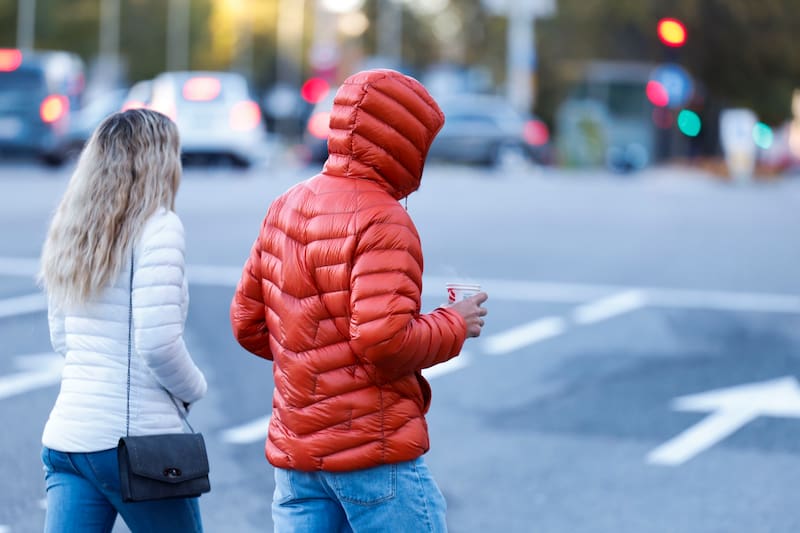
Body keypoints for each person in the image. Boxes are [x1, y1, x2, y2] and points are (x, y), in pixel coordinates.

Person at [230, 68, 488, 532]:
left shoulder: (286, 204)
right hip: (373, 452)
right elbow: (385, 341)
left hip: (297, 456)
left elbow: (248, 323)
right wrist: (455, 322)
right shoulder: (384, 219)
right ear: (402, 141)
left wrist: (314, 365)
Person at [38, 108, 208, 533]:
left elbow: (61, 336)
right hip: (135, 446)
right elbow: (158, 344)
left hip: (68, 439)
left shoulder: (72, 227)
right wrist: (194, 389)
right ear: (160, 161)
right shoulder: (159, 228)